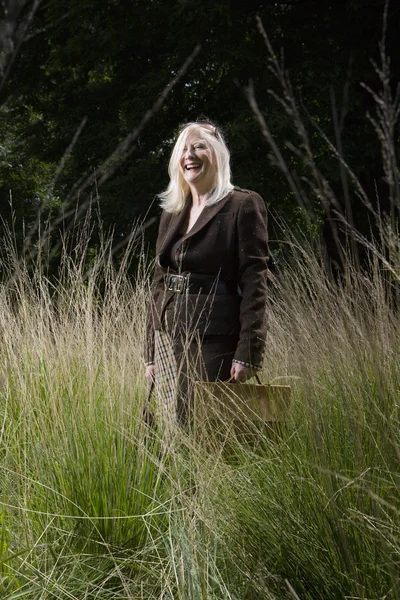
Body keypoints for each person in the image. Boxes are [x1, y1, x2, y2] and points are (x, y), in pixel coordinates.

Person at [144, 119, 268, 424]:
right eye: (184, 149)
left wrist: (248, 351)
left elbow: (256, 281)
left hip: (214, 340)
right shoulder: (172, 212)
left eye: (199, 146)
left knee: (204, 433)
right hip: (168, 336)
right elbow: (160, 279)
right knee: (161, 433)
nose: (190, 154)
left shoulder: (243, 204)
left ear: (218, 155)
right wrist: (151, 347)